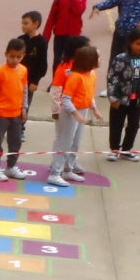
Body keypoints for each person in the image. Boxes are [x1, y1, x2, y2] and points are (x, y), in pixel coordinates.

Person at [46, 43, 99, 186]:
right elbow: (65, 99)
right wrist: (75, 113)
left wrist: (94, 109)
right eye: (97, 58)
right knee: (65, 142)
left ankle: (68, 169)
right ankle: (55, 173)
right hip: (71, 113)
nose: (99, 60)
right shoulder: (75, 77)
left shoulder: (92, 75)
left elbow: (89, 94)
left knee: (76, 142)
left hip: (83, 110)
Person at [105, 28, 140, 161]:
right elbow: (112, 78)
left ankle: (126, 149)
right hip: (120, 99)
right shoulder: (120, 59)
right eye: (138, 44)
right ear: (130, 42)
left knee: (133, 125)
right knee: (116, 124)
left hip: (137, 100)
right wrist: (113, 98)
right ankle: (114, 149)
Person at [0, 39, 30, 177]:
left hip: (16, 113)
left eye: (18, 57)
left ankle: (11, 166)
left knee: (15, 141)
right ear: (6, 54)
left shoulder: (23, 70)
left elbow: (24, 90)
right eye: (12, 56)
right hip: (1, 114)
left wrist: (24, 108)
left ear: (23, 56)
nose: (15, 60)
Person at [45, 0, 90, 68]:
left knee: (72, 59)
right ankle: (56, 77)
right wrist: (46, 37)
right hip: (60, 35)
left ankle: (70, 77)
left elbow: (79, 11)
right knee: (58, 60)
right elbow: (51, 18)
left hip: (74, 36)